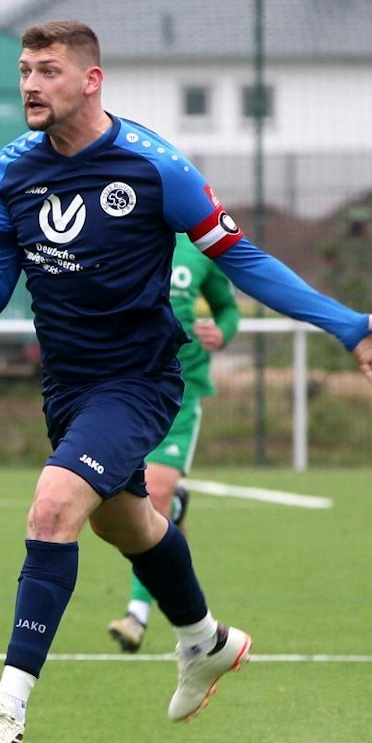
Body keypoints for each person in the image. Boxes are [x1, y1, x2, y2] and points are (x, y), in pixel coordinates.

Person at [0, 19, 372, 743]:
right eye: (24, 70)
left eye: (47, 70)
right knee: (129, 523)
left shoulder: (155, 166)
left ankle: (7, 705)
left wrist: (345, 324)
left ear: (91, 80)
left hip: (139, 381)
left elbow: (244, 260)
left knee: (51, 509)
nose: (30, 85)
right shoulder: (12, 169)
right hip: (68, 389)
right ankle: (205, 639)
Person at [108, 235, 240, 652]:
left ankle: (136, 615)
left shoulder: (199, 247)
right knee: (118, 507)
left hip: (182, 395)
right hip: (130, 388)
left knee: (155, 495)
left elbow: (227, 309)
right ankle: (176, 510)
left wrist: (221, 332)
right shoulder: (123, 237)